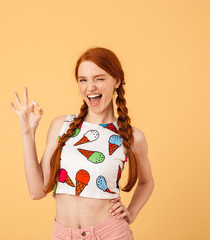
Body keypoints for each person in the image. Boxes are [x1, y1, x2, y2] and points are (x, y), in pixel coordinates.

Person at [10, 47, 154, 240]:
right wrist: (27, 133)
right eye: (83, 80)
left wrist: (132, 212)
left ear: (117, 81)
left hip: (110, 233)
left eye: (99, 78)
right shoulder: (62, 126)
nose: (90, 87)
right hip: (63, 234)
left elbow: (146, 182)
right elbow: (37, 191)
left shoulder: (131, 136)